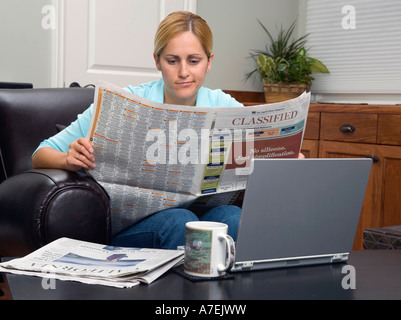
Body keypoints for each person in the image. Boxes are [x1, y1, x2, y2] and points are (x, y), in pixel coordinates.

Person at [32, 11, 244, 249]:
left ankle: (217, 286)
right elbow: (40, 154)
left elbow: (261, 153)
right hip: (135, 228)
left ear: (209, 62)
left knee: (232, 218)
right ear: (157, 60)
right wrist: (68, 160)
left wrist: (288, 160)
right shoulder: (127, 101)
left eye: (194, 61)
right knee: (178, 221)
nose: (183, 72)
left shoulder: (224, 105)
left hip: (200, 215)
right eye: (172, 60)